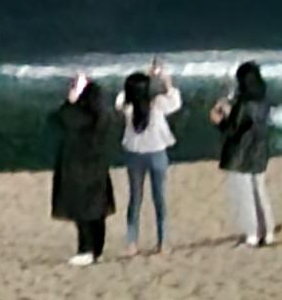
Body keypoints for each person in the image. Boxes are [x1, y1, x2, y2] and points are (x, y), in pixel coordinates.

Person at [48, 73, 120, 267]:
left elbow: (58, 119)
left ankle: (86, 250)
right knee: (97, 212)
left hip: (78, 168)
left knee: (83, 211)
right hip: (98, 168)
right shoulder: (102, 116)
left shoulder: (79, 116)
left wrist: (69, 102)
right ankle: (97, 250)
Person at [119, 63, 182, 254]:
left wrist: (144, 80)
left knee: (135, 199)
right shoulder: (157, 104)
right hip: (157, 154)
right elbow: (175, 102)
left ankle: (132, 242)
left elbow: (121, 98)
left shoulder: (128, 107)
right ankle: (162, 242)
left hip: (134, 155)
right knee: (159, 199)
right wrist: (165, 82)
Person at [213, 61, 275, 246]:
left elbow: (233, 129)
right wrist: (231, 112)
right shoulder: (264, 100)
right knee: (260, 193)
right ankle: (268, 232)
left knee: (244, 196)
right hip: (259, 150)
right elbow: (249, 122)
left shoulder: (244, 103)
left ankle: (252, 234)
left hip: (241, 153)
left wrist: (219, 120)